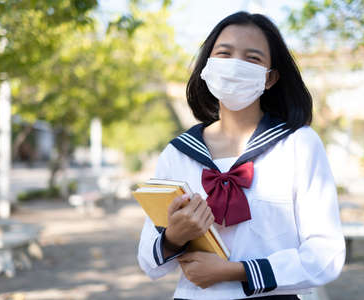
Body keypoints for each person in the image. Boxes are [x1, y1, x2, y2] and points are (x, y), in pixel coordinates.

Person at [137, 11, 345, 300]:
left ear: (270, 78)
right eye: (224, 54)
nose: (235, 65)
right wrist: (174, 236)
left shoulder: (299, 145)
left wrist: (235, 271)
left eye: (252, 58)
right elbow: (149, 264)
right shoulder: (177, 154)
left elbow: (326, 256)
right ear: (207, 66)